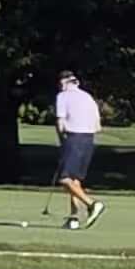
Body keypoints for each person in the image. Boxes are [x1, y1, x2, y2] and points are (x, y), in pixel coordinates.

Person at [51, 68, 103, 229]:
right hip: (89, 139)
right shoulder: (88, 97)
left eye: (61, 83)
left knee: (65, 179)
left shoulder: (63, 96)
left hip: (74, 137)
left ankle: (92, 204)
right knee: (75, 180)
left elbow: (60, 123)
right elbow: (98, 126)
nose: (60, 86)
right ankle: (73, 218)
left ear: (65, 82)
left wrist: (62, 142)